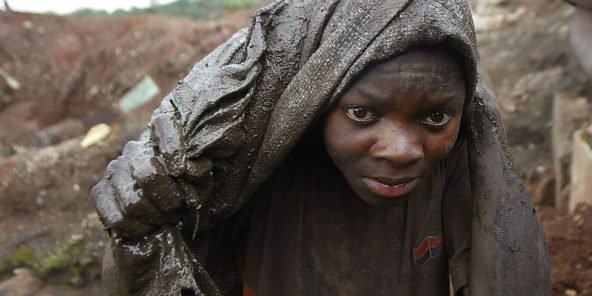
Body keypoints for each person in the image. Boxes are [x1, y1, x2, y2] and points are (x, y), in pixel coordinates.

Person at [91, 0, 550, 295]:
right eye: (362, 114)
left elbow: (502, 264)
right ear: (314, 105)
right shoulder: (253, 159)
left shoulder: (456, 159)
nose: (401, 150)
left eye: (434, 117)